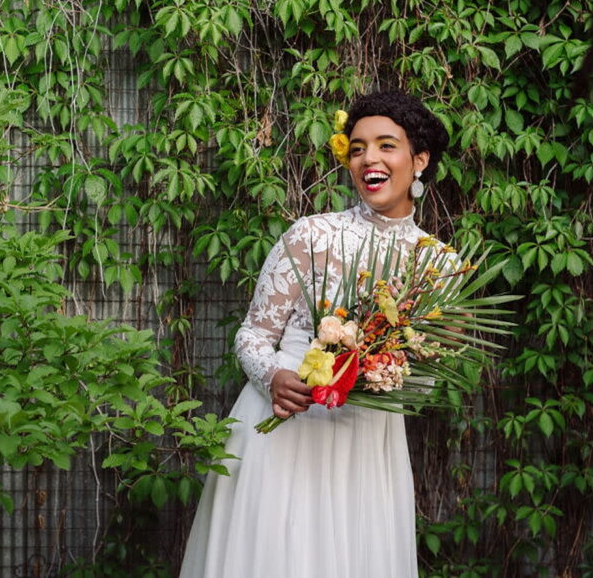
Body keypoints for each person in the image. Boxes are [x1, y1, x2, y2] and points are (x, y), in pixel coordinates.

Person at [180, 90, 450, 578]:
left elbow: (428, 380)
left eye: (387, 145)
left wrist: (386, 370)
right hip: (286, 431)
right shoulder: (311, 236)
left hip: (366, 448)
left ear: (421, 160)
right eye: (359, 147)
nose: (369, 157)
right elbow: (252, 336)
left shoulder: (439, 266)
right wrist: (274, 376)